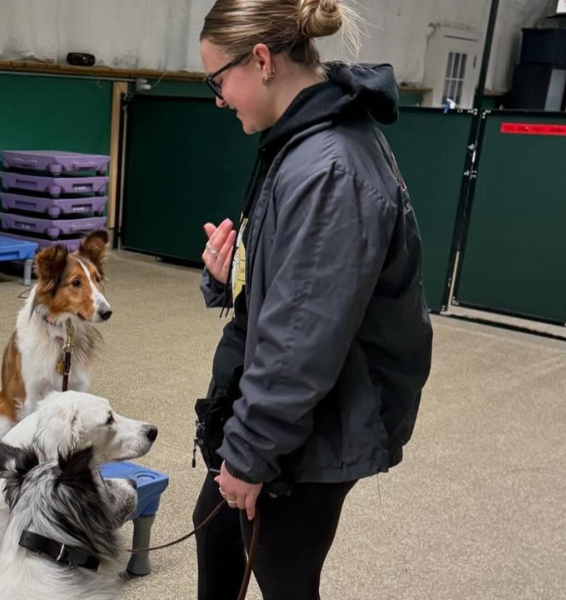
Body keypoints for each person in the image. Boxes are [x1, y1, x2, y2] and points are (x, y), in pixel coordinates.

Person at [191, 0, 434, 599]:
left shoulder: (330, 168)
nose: (218, 97)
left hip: (321, 417)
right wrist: (229, 277)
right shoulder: (301, 139)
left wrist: (248, 455)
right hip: (287, 410)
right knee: (217, 534)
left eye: (218, 80)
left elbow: (303, 337)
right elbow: (296, 285)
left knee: (283, 572)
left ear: (263, 60)